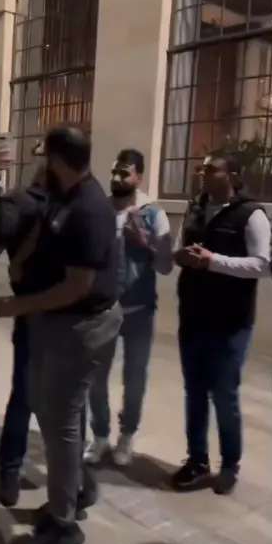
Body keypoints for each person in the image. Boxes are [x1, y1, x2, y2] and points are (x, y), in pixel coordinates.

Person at [0, 126, 121, 544]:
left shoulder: (89, 208)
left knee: (62, 425)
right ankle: (71, 493)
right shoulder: (64, 194)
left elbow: (78, 287)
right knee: (48, 411)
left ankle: (64, 525)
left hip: (79, 327)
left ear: (58, 158)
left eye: (44, 154)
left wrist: (19, 306)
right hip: (53, 323)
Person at [170, 152, 271, 494]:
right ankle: (197, 460)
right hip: (193, 315)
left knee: (224, 394)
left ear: (232, 176)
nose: (203, 174)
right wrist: (180, 256)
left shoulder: (251, 214)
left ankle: (230, 464)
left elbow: (262, 265)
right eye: (201, 168)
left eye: (211, 169)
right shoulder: (195, 206)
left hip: (230, 321)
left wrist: (214, 262)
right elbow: (179, 247)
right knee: (194, 391)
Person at [84, 148, 173, 468]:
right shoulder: (102, 211)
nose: (118, 178)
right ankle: (100, 435)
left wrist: (145, 243)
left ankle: (127, 435)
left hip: (139, 312)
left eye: (125, 173)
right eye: (115, 172)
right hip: (104, 310)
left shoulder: (154, 214)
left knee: (134, 378)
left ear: (139, 176)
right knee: (96, 377)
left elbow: (165, 266)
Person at [0, 141, 48, 508]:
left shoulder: (79, 201)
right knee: (24, 394)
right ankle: (9, 468)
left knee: (69, 402)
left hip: (68, 320)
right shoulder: (23, 201)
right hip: (32, 316)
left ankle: (73, 474)